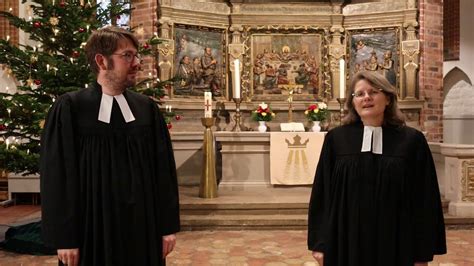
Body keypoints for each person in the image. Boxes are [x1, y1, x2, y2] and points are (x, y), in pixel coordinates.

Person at [40, 26, 180, 266]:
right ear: (101, 61)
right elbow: (58, 177)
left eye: (136, 55)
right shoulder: (71, 108)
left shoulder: (146, 109)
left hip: (142, 229)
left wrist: (167, 227)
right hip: (90, 230)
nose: (137, 62)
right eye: (127, 55)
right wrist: (65, 238)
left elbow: (163, 173)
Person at [307, 71, 446, 266]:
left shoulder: (411, 140)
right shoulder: (336, 139)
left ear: (388, 98)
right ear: (352, 102)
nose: (366, 98)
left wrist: (422, 253)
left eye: (373, 92)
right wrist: (320, 243)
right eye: (360, 94)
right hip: (346, 240)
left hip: (397, 240)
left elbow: (424, 197)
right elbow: (323, 193)